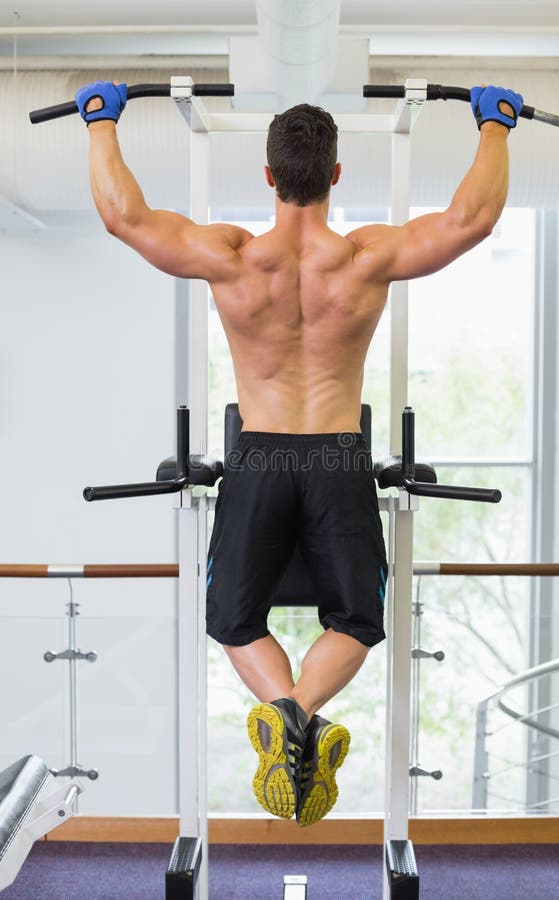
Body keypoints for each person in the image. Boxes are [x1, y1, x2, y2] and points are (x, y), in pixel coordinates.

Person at [75, 80, 523, 827]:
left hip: (258, 460)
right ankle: (300, 715)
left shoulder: (233, 256)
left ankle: (282, 715)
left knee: (233, 620)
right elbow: (471, 219)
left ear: (269, 176)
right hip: (339, 459)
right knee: (355, 620)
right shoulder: (365, 257)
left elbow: (123, 217)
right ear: (337, 176)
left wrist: (100, 124)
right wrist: (495, 128)